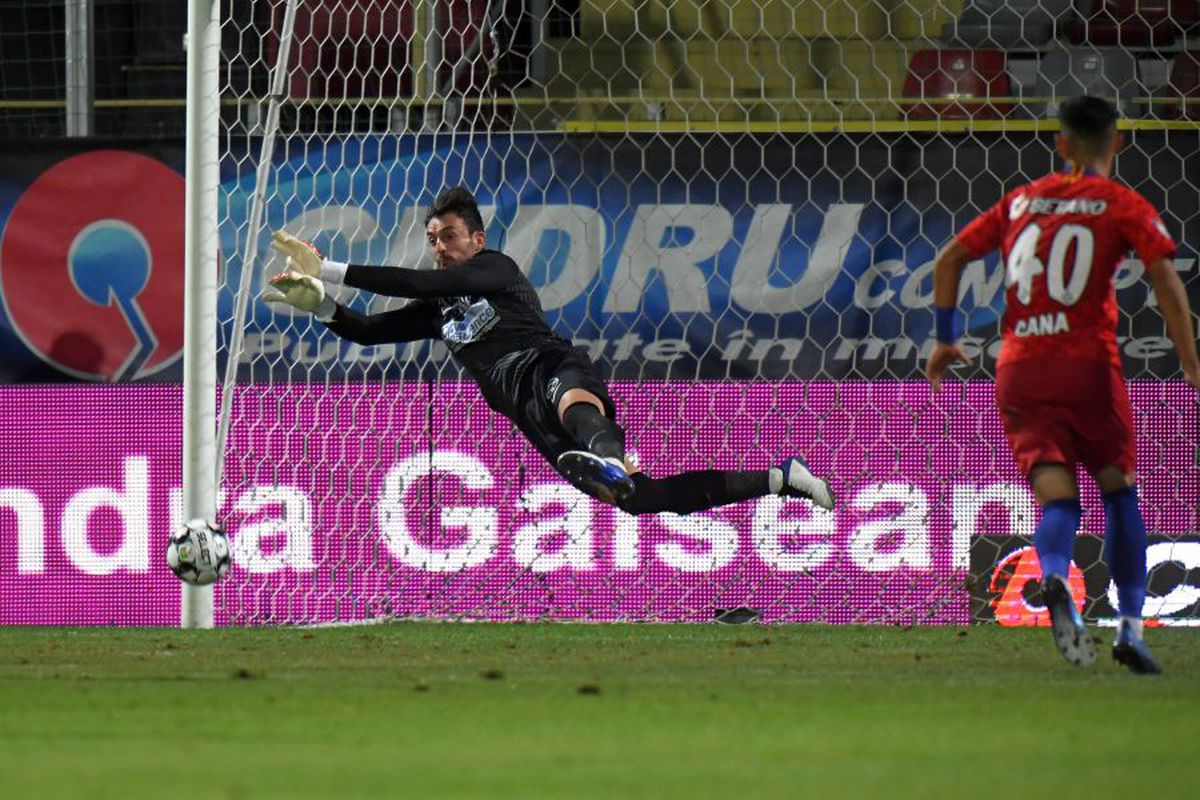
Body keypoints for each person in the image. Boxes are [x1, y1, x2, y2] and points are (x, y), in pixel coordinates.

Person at [263, 186, 835, 519]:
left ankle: (612, 456)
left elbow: (422, 285)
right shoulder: (438, 313)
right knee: (640, 503)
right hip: (524, 413)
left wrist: (333, 268)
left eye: (449, 236)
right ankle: (781, 478)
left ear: (477, 240)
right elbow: (366, 331)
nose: (439, 247)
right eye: (433, 239)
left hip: (551, 368)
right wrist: (321, 304)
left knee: (578, 410)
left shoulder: (497, 269)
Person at [925, 95, 1199, 675]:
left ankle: (1051, 573)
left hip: (1020, 366)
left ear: (1061, 144)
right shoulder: (1121, 202)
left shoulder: (1021, 200)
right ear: (1117, 144)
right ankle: (1130, 629)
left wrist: (947, 337)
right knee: (1118, 492)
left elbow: (949, 258)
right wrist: (1191, 362)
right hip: (1086, 366)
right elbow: (1167, 282)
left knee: (1057, 497)